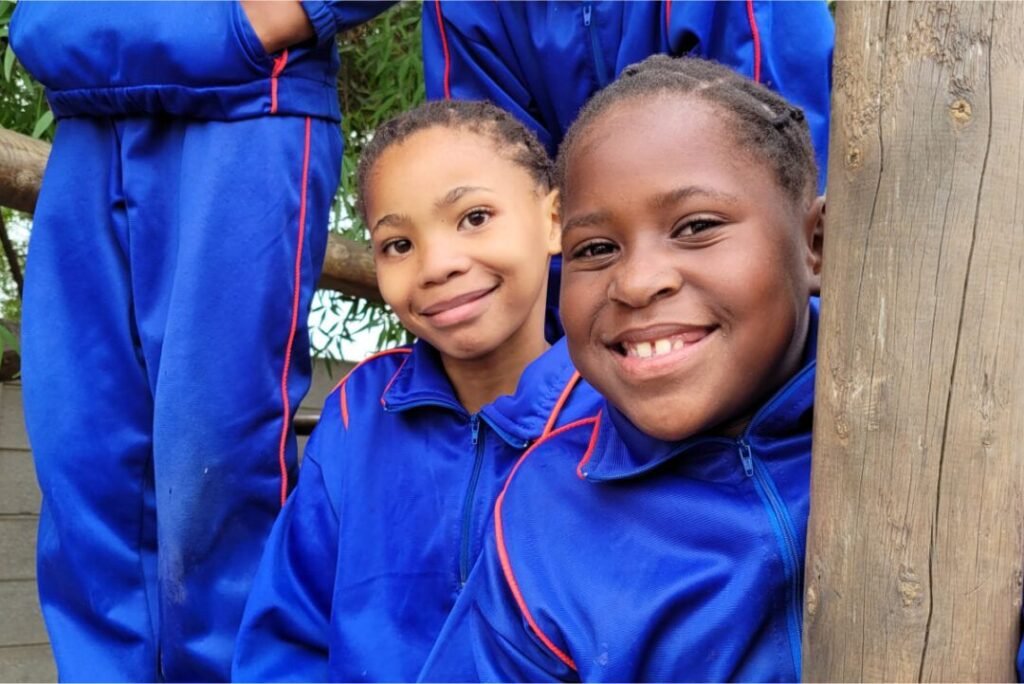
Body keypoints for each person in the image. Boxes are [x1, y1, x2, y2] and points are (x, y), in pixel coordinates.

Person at [9, 1, 389, 680]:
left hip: (242, 104)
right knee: (80, 462)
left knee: (215, 465)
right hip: (86, 97)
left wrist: (283, 15)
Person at [419, 54, 825, 682]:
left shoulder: (936, 421)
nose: (636, 282)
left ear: (815, 244)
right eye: (596, 248)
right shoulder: (544, 520)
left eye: (696, 226)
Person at [231, 100, 599, 682]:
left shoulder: (611, 416)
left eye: (474, 217)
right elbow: (288, 633)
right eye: (398, 244)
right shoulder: (358, 416)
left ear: (554, 220)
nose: (436, 265)